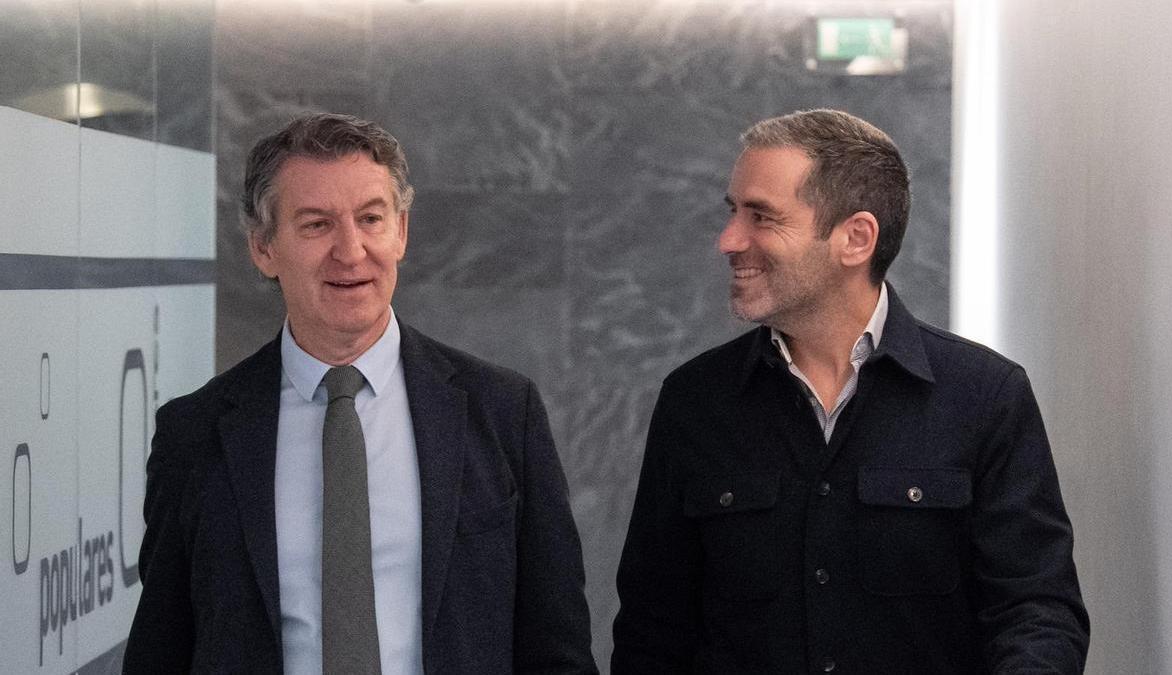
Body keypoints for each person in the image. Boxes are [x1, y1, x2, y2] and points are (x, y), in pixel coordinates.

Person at [611, 109, 1088, 674]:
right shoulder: (695, 401)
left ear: (855, 238)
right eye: (733, 212)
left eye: (761, 216)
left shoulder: (985, 396)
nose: (728, 240)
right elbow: (653, 633)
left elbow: (1036, 612)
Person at [124, 113, 597, 674]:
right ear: (263, 248)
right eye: (316, 224)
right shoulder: (195, 434)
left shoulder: (501, 411)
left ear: (401, 231)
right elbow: (161, 651)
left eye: (371, 219)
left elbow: (557, 648)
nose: (351, 252)